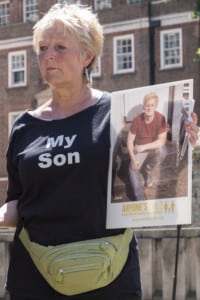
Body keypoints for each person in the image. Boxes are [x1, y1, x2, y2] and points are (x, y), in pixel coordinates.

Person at [0, 3, 199, 300]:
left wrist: (185, 146)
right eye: (41, 48)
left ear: (87, 56)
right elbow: (18, 204)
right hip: (34, 275)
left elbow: (151, 174)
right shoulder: (25, 127)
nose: (48, 55)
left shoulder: (119, 112)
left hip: (110, 274)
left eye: (60, 47)